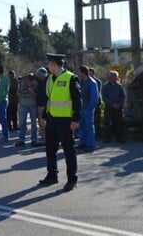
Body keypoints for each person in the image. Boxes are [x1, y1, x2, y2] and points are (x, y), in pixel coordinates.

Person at [39, 53, 82, 192]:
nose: (48, 66)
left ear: (55, 65)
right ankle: (52, 175)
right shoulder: (50, 79)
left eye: (49, 64)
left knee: (69, 150)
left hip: (65, 121)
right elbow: (50, 99)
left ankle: (72, 179)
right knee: (50, 149)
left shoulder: (71, 78)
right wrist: (45, 115)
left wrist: (76, 119)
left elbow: (77, 100)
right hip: (52, 119)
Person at [77, 66, 99, 152]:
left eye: (78, 72)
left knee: (89, 126)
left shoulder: (92, 83)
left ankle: (91, 144)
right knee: (81, 126)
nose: (77, 73)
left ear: (83, 73)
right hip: (81, 108)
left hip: (88, 108)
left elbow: (94, 98)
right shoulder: (80, 82)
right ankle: (83, 143)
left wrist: (90, 109)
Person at [101, 71, 126, 143]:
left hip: (118, 108)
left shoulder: (119, 86)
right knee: (107, 123)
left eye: (113, 77)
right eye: (110, 77)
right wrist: (112, 104)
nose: (110, 78)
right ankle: (107, 138)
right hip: (109, 107)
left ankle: (119, 138)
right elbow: (104, 97)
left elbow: (123, 96)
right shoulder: (105, 86)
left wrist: (120, 104)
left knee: (120, 123)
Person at [15, 73, 40, 147]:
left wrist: (31, 90)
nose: (30, 82)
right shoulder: (22, 82)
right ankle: (21, 139)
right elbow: (18, 93)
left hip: (32, 105)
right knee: (22, 123)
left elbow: (36, 95)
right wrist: (28, 92)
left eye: (31, 81)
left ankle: (34, 139)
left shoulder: (35, 83)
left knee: (34, 124)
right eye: (29, 81)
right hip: (23, 105)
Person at [0, 65, 10, 142]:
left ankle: (5, 136)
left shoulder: (4, 80)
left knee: (3, 119)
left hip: (2, 101)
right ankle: (5, 134)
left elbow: (2, 92)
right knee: (2, 118)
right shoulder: (2, 79)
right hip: (2, 100)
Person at [34, 67, 49, 145]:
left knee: (44, 122)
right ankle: (43, 138)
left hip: (45, 104)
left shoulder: (48, 81)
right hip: (39, 104)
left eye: (39, 75)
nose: (38, 76)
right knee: (40, 122)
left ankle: (46, 139)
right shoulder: (39, 82)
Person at [88, 68, 103, 139]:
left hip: (96, 102)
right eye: (89, 73)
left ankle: (98, 134)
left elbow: (97, 92)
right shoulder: (86, 81)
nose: (90, 75)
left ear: (93, 74)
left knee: (97, 119)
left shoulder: (97, 81)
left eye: (91, 73)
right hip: (88, 103)